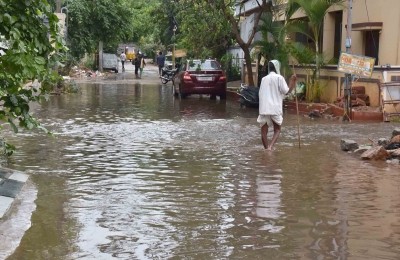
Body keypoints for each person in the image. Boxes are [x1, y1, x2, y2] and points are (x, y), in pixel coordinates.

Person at [257, 59, 297, 151]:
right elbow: (287, 91)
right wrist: (292, 82)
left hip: (264, 108)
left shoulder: (263, 79)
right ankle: (270, 147)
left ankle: (266, 149)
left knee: (263, 131)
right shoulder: (279, 78)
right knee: (277, 129)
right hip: (275, 108)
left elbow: (260, 94)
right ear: (277, 68)